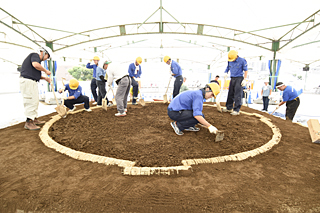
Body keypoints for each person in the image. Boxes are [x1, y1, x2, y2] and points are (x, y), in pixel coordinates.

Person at [19, 46, 52, 130]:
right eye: (46, 57)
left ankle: (33, 119)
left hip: (31, 81)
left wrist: (45, 78)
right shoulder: (35, 55)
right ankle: (29, 122)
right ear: (43, 52)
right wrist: (46, 71)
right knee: (30, 100)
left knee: (35, 100)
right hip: (28, 82)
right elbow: (35, 65)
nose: (45, 59)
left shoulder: (36, 60)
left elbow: (34, 73)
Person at [222, 50, 248, 115]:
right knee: (230, 93)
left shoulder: (242, 60)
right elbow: (228, 67)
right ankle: (229, 107)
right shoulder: (229, 60)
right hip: (232, 78)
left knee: (237, 94)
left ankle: (236, 110)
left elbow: (246, 70)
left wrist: (245, 79)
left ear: (236, 56)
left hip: (239, 79)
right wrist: (225, 72)